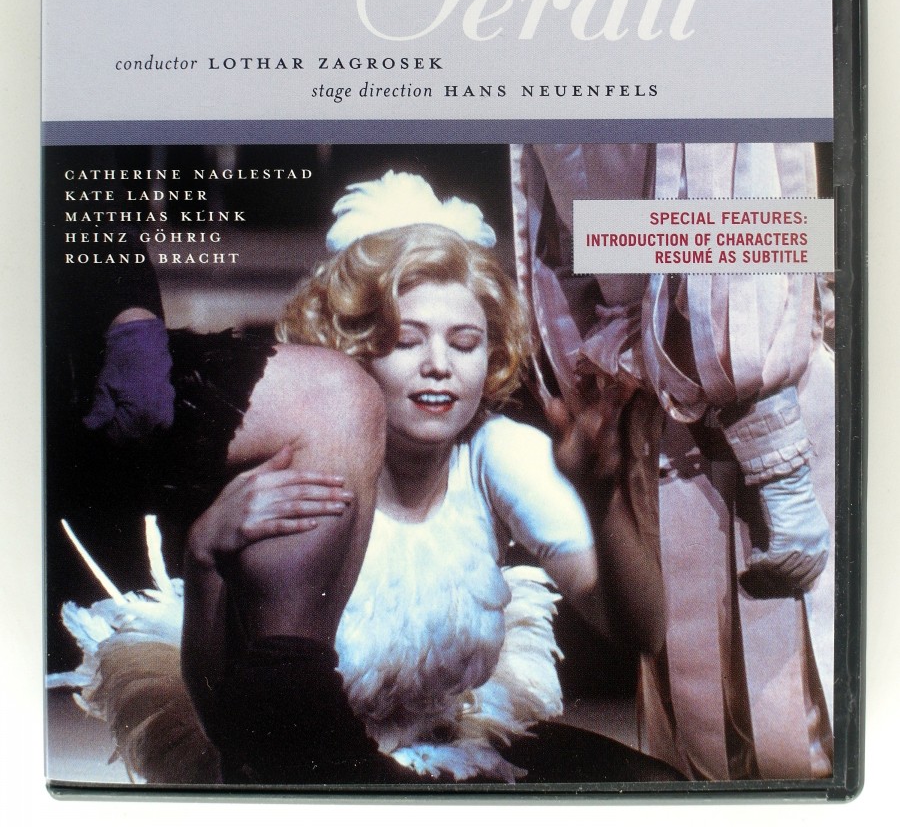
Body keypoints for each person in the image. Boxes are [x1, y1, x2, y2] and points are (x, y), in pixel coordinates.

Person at [56, 172, 677, 786]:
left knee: (653, 789)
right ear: (352, 350)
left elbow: (641, 632)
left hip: (439, 756)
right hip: (303, 772)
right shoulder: (306, 465)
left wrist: (602, 497)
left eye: (465, 343)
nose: (439, 366)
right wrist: (204, 557)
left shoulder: (496, 452)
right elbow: (238, 726)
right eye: (407, 340)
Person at [510, 142, 834, 780]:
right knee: (706, 730)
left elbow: (750, 216)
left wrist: (778, 462)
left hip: (747, 390)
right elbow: (567, 230)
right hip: (663, 399)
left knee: (793, 722)